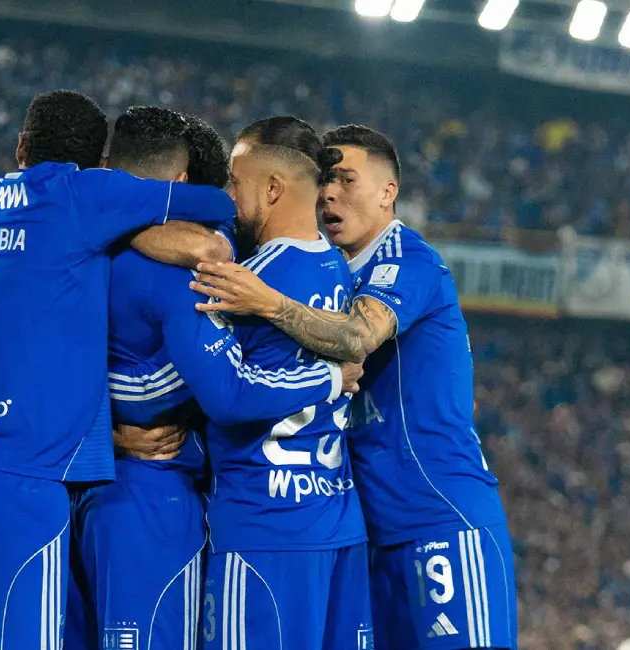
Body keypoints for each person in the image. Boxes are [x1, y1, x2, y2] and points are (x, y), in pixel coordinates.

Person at [0, 91, 237, 650]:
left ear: (20, 146)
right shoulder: (84, 198)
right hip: (22, 484)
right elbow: (218, 208)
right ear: (96, 166)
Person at [192, 124, 517, 649]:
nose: (329, 194)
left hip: (439, 518)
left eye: (346, 180)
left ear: (389, 192)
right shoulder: (331, 269)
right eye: (325, 180)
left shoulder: (408, 260)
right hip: (366, 531)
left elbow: (357, 337)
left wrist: (267, 302)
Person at [72, 108, 360, 650]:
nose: (226, 194)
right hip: (331, 515)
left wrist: (106, 432)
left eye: (235, 180)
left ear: (272, 189)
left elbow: (227, 391)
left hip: (257, 521)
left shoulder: (238, 278)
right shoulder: (339, 267)